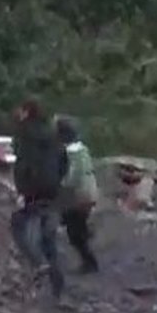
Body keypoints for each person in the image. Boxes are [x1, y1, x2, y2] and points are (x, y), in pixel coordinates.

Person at [11, 98, 68, 300]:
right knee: (48, 238)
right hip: (53, 191)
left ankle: (38, 264)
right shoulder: (53, 134)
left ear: (26, 111)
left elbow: (22, 164)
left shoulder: (24, 134)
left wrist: (22, 190)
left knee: (18, 226)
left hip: (33, 190)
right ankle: (58, 289)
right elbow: (64, 162)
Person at [55, 115, 100, 274]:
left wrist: (57, 185)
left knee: (75, 233)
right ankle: (85, 233)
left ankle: (90, 263)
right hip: (89, 192)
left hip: (78, 197)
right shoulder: (82, 150)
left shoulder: (70, 154)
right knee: (75, 224)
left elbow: (71, 178)